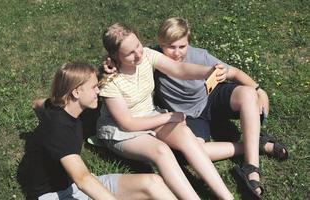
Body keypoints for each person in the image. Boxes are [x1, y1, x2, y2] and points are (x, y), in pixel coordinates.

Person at [153, 17, 288, 199]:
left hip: (210, 98)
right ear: (160, 43)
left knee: (247, 93)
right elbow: (124, 56)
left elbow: (233, 72)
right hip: (187, 116)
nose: (177, 53)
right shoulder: (151, 58)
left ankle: (251, 169)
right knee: (192, 153)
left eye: (182, 46)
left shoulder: (200, 56)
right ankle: (254, 145)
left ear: (188, 42)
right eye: (170, 46)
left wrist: (259, 90)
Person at [97, 22, 234, 200]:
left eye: (138, 45)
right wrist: (169, 117)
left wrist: (209, 71)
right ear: (115, 55)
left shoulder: (147, 55)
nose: (138, 54)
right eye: (130, 53)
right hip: (121, 131)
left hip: (150, 115)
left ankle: (227, 197)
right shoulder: (110, 80)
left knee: (185, 134)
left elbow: (179, 69)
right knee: (161, 151)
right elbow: (128, 123)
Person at [17, 62, 177, 200]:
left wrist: (39, 136)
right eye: (94, 87)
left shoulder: (56, 104)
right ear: (76, 92)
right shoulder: (60, 130)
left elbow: (36, 104)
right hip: (55, 195)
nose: (98, 92)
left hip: (74, 187)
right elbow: (82, 179)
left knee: (153, 183)